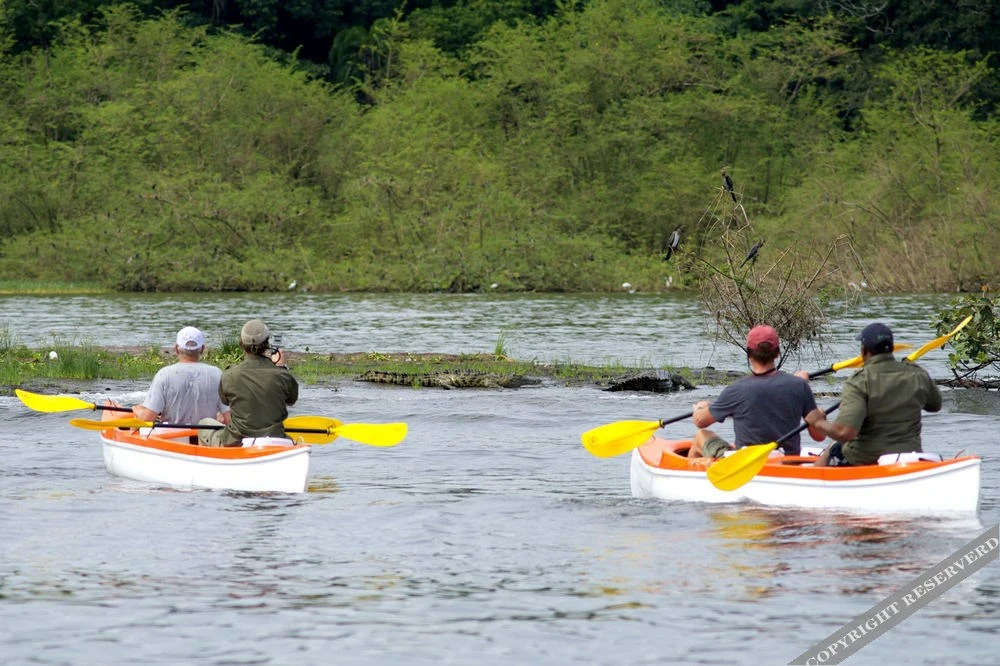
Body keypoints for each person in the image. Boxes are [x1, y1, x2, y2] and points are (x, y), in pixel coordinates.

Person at [805, 322, 942, 466]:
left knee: (835, 445)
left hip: (865, 458)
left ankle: (814, 475)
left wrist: (817, 422)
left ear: (864, 350)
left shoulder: (859, 381)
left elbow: (845, 433)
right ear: (892, 348)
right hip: (911, 453)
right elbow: (935, 405)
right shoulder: (917, 374)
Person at [687, 324, 826, 458]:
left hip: (747, 463)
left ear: (749, 353)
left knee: (701, 435)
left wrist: (700, 408)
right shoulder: (799, 385)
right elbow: (819, 436)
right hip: (788, 462)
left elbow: (700, 422)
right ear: (777, 352)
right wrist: (819, 413)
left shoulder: (736, 389)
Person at [199, 319, 298, 447]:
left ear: (241, 343)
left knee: (204, 424)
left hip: (237, 441)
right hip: (274, 438)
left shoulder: (229, 375)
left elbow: (225, 401)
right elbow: (291, 399)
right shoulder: (282, 375)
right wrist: (281, 367)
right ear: (267, 343)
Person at [133, 326, 230, 427]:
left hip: (172, 435)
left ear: (176, 349)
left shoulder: (164, 374)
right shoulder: (217, 374)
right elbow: (229, 419)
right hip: (206, 435)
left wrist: (137, 410)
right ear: (202, 349)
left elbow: (147, 419)